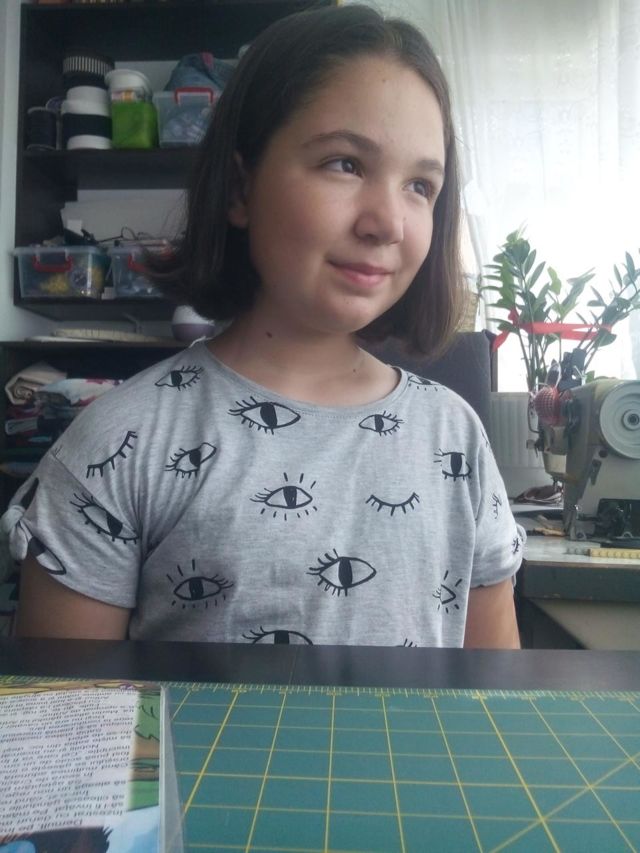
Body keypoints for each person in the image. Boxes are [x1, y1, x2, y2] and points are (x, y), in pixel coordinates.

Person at [7, 4, 523, 648]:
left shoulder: (454, 437)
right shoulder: (122, 441)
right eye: (345, 163)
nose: (388, 222)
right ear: (239, 189)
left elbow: (493, 688)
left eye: (420, 185)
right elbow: (64, 703)